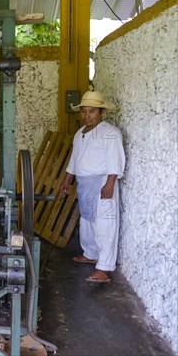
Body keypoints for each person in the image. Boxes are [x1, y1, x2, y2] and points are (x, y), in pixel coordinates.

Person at [61, 90, 125, 283]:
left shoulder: (110, 133)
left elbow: (116, 159)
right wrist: (67, 178)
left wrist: (110, 183)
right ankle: (90, 253)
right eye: (84, 111)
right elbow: (75, 159)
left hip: (103, 182)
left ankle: (104, 268)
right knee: (88, 221)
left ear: (101, 112)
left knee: (105, 225)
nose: (87, 115)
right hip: (85, 183)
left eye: (92, 111)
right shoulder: (80, 133)